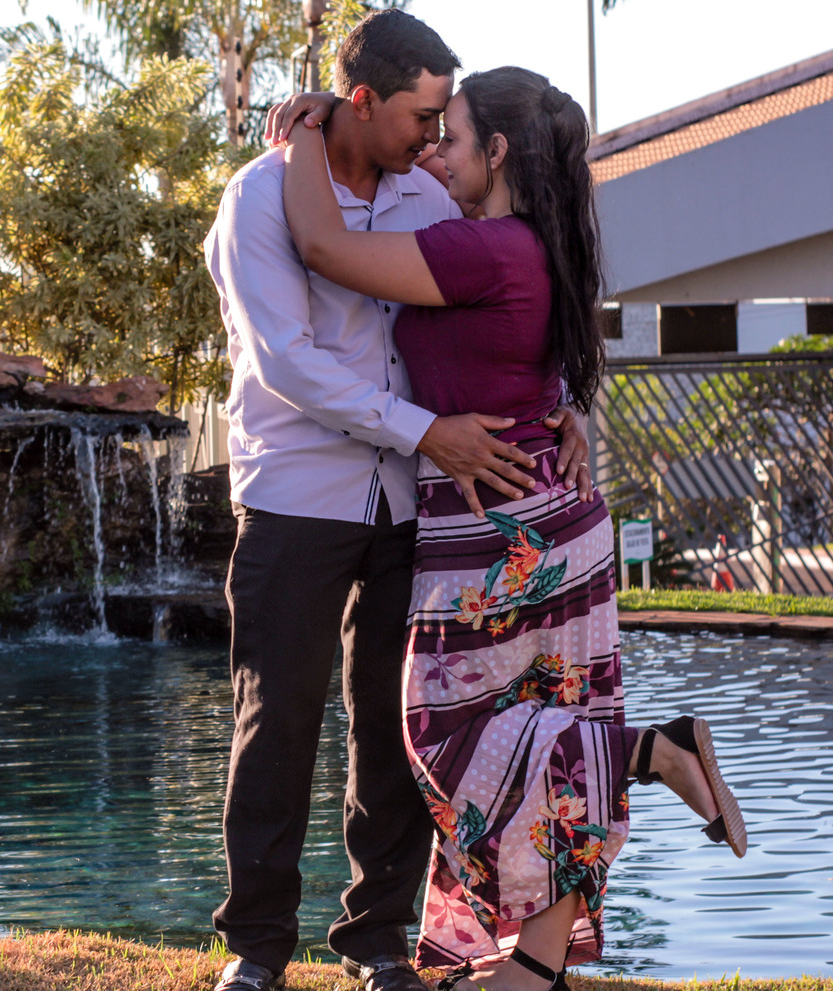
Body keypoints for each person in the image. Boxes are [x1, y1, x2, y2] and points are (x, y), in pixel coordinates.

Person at [272, 66, 748, 991]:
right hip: (533, 524)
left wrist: (307, 130)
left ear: (497, 151)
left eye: (450, 139)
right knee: (537, 733)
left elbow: (323, 247)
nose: (434, 154)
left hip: (509, 539)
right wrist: (563, 407)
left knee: (441, 733)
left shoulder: (484, 248)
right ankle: (534, 965)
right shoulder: (537, 246)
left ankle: (656, 754)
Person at [202, 13, 592, 991]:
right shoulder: (258, 199)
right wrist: (423, 430)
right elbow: (286, 359)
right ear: (360, 101)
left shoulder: (429, 194)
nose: (432, 138)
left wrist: (568, 402)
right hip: (299, 492)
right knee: (276, 714)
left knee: (398, 722)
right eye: (422, 115)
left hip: (414, 501)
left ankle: (378, 942)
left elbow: (518, 303)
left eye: (444, 122)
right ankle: (255, 948)